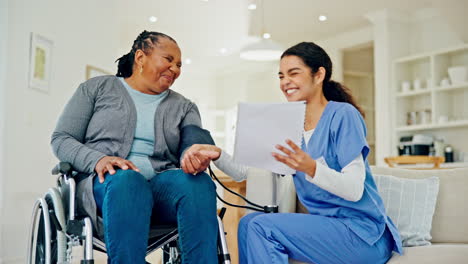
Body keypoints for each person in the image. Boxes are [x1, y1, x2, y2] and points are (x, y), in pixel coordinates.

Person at [184, 42, 403, 264]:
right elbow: (245, 173)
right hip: (327, 231)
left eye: (293, 73)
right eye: (281, 76)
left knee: (261, 227)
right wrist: (217, 153)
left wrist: (310, 167)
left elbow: (355, 190)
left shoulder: (343, 115)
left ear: (319, 75)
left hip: (363, 235)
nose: (285, 82)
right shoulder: (288, 125)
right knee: (249, 223)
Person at [51, 30, 219, 263]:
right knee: (128, 180)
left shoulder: (184, 106)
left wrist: (196, 153)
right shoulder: (96, 89)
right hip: (104, 187)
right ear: (140, 58)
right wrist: (98, 160)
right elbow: (62, 138)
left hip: (160, 191)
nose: (176, 69)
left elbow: (195, 140)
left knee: (198, 182)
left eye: (179, 64)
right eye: (168, 60)